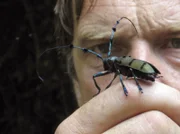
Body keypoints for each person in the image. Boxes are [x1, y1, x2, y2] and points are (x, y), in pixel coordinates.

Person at [54, 0, 180, 133]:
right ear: (76, 82)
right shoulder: (118, 67)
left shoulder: (121, 66)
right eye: (102, 48)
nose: (142, 98)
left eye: (177, 43)